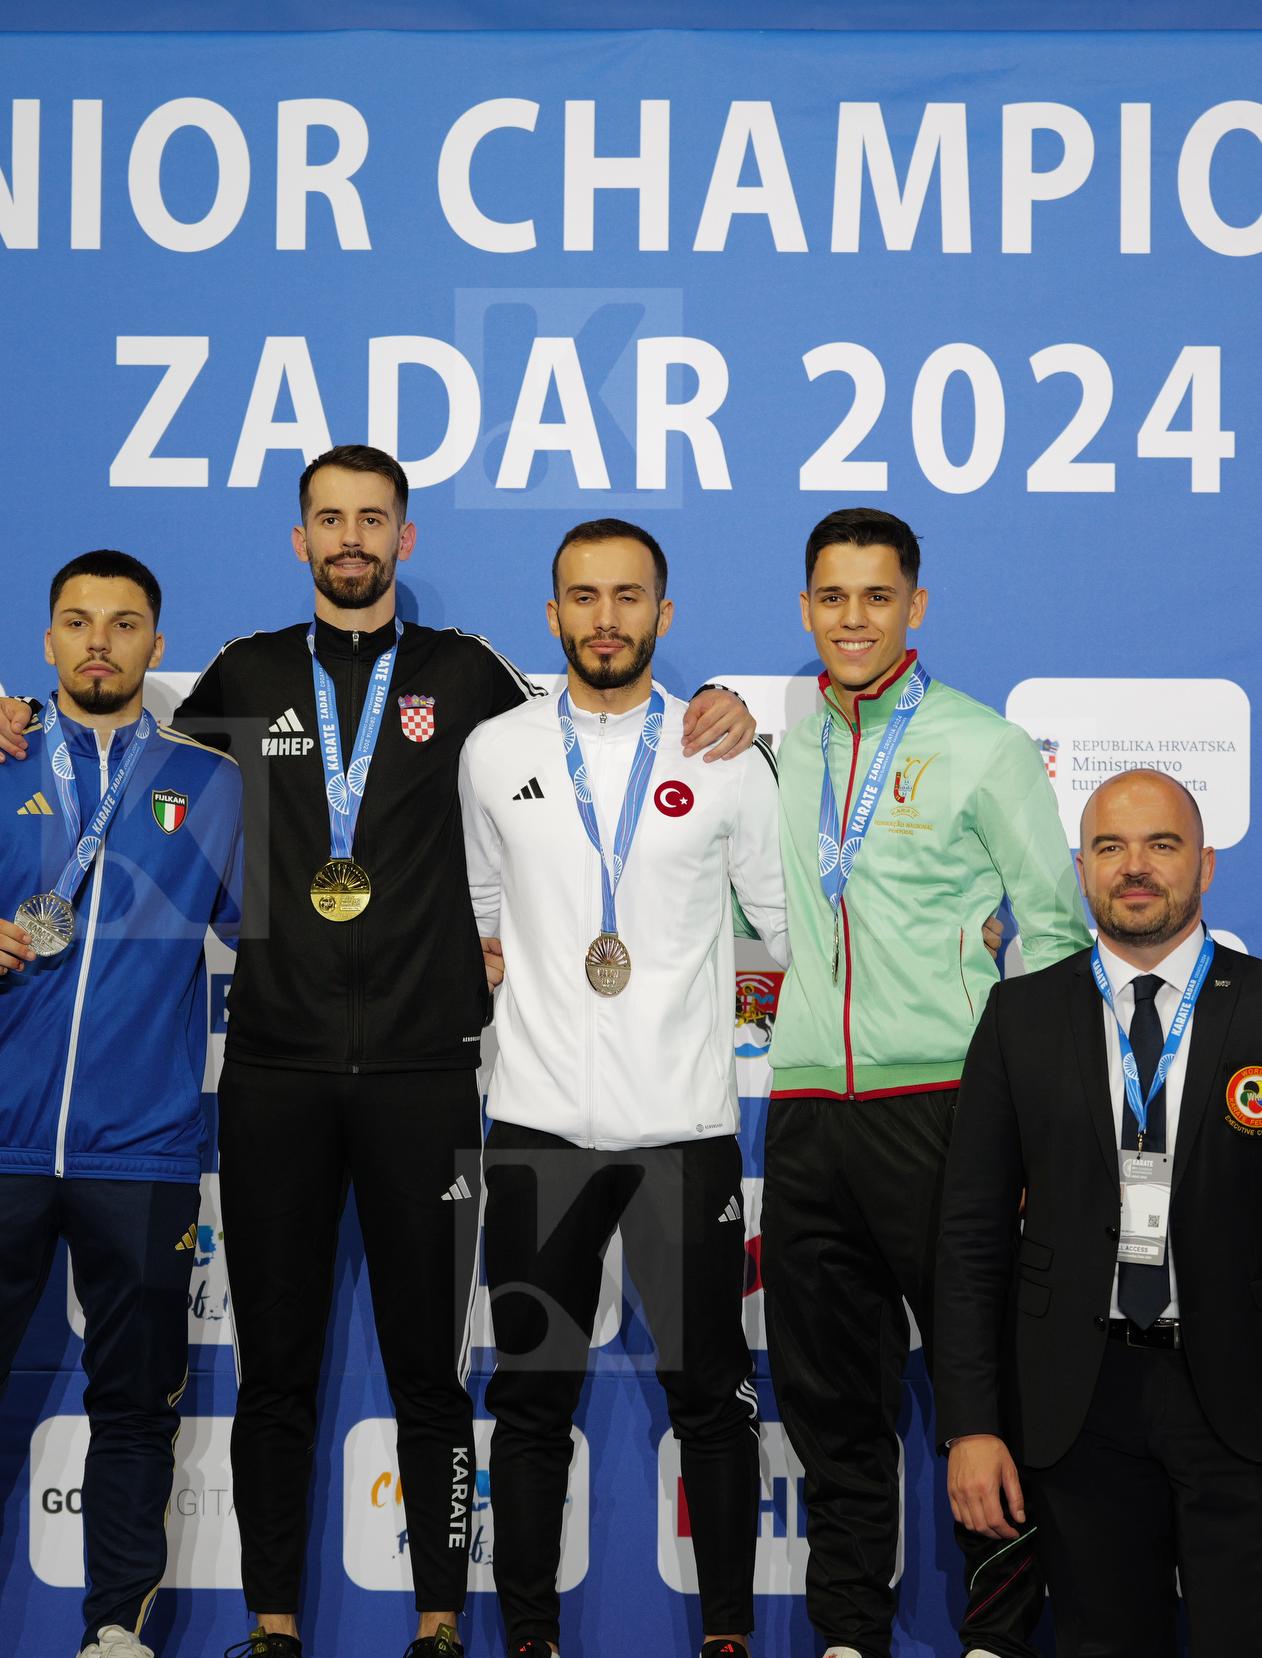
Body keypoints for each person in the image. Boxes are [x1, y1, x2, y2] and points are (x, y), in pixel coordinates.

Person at [0, 445, 757, 1658]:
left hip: (427, 1074)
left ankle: (440, 1618)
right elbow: (120, 756)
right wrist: (11, 709)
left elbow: (584, 748)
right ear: (297, 539)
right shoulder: (246, 671)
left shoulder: (473, 678)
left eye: (371, 518)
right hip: (272, 1069)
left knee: (431, 1370)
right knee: (276, 1370)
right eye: (327, 518)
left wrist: (731, 714)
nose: (350, 537)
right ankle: (272, 1620)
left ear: (405, 538)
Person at [0, 551, 243, 1658]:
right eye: (77, 621)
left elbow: (272, 936)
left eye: (124, 624)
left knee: (133, 1404)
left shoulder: (207, 783)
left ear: (154, 647)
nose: (98, 642)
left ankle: (115, 1627)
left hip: (145, 1148)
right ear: (47, 640)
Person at [934, 768, 1262, 1657]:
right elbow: (970, 1238)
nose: (1134, 868)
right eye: (1110, 847)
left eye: (1161, 845)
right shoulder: (1020, 1014)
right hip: (1077, 1406)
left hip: (1250, 1409)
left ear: (1206, 865)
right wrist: (972, 1425)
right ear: (1081, 867)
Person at [760, 507, 1088, 1658]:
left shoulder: (982, 742)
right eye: (832, 597)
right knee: (830, 1400)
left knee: (980, 1393)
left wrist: (1027, 1111)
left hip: (943, 1105)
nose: (854, 619)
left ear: (917, 605)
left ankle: (996, 1632)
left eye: (877, 596)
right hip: (803, 1105)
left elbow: (1052, 932)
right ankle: (849, 1632)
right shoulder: (780, 745)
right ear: (804, 609)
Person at [462, 520, 785, 1658]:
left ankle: (730, 1637)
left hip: (682, 1132)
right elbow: (480, 917)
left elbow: (784, 926)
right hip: (539, 1130)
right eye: (582, 597)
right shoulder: (495, 751)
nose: (606, 617)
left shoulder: (727, 752)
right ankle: (532, 1641)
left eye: (629, 596)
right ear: (550, 615)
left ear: (665, 612)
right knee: (532, 1400)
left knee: (711, 1398)